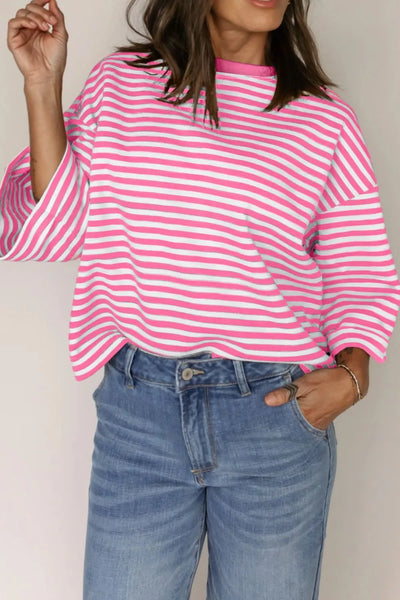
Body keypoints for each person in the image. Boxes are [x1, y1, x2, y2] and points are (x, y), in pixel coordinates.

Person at [3, 0, 400, 598]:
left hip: (273, 411)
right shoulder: (122, 85)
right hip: (140, 415)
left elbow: (359, 266)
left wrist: (353, 376)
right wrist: (42, 85)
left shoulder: (323, 118)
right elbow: (58, 229)